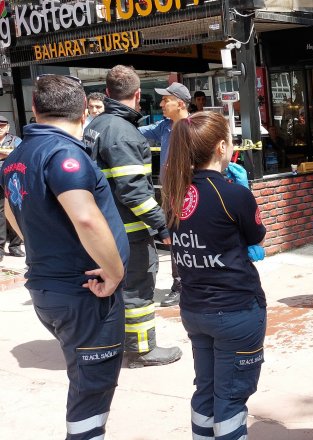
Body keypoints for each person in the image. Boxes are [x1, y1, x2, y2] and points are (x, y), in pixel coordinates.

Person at [3, 73, 128, 440]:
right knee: (92, 389)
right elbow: (86, 218)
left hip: (49, 288)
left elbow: (13, 211)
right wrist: (115, 271)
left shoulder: (17, 156)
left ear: (35, 110)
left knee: (84, 377)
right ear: (83, 111)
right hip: (84, 290)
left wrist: (41, 241)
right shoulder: (64, 154)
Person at [162, 111, 267, 440]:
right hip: (235, 311)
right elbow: (256, 236)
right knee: (231, 399)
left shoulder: (174, 193)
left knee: (205, 391)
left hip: (195, 311)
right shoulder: (233, 193)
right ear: (221, 147)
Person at [83, 65, 182, 368]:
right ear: (138, 94)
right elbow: (135, 193)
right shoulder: (124, 134)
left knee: (114, 289)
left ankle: (115, 342)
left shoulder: (95, 125)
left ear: (108, 93)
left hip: (102, 229)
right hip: (128, 232)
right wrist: (163, 225)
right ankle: (141, 350)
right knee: (138, 288)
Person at [138, 82, 193, 307]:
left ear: (179, 103)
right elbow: (136, 133)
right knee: (175, 238)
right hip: (170, 194)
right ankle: (179, 284)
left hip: (192, 193)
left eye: (165, 99)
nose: (160, 103)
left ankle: (195, 281)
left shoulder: (196, 126)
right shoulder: (164, 127)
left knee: (195, 238)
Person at [0, 114, 24, 260]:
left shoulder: (16, 140)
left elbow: (18, 154)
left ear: (8, 127)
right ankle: (0, 248)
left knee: (15, 211)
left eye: (2, 126)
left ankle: (15, 246)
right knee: (0, 215)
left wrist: (6, 153)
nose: (0, 128)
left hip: (12, 181)